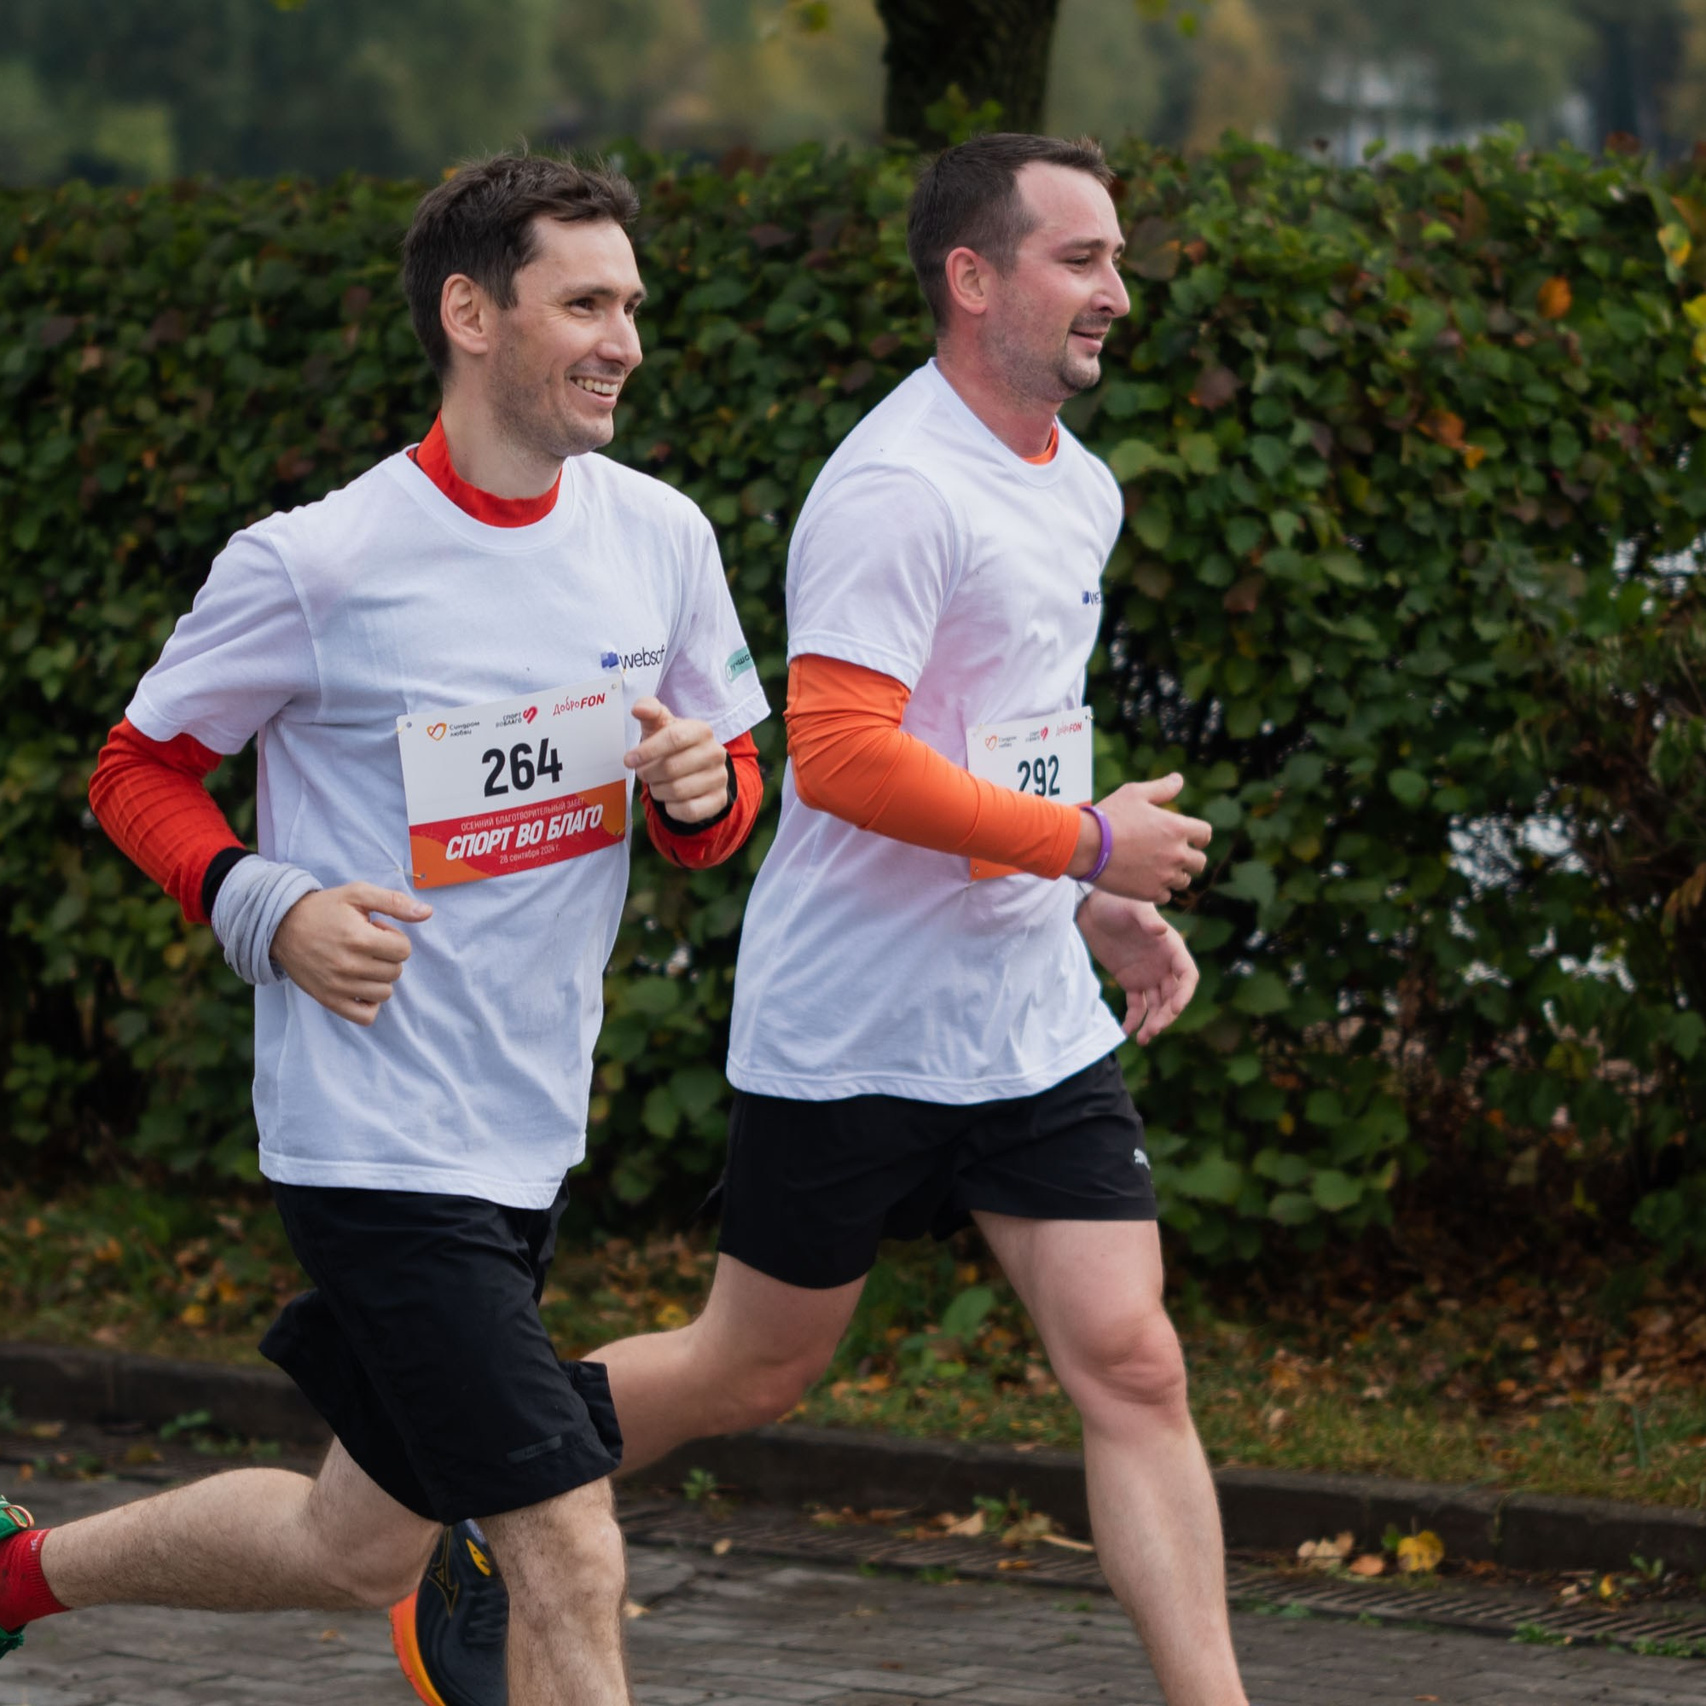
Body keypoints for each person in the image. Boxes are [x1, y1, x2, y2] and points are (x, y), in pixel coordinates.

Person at [407, 132, 1247, 1706]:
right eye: (1082, 260)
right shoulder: (891, 487)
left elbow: (997, 732)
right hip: (853, 1022)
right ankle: (489, 1471)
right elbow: (847, 756)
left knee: (1133, 1362)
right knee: (756, 1368)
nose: (1116, 293)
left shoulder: (1080, 487)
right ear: (973, 275)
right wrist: (1085, 839)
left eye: (1117, 261)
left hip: (1021, 1017)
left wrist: (1079, 897)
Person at [0, 151, 768, 1706]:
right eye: (584, 301)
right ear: (471, 312)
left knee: (355, 1543)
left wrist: (699, 787)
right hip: (370, 1141)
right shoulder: (317, 561)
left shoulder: (660, 536)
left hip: (524, 1126)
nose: (625, 336)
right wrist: (265, 908)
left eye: (631, 301)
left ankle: (10, 1575)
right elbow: (137, 769)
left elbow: (720, 798)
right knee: (570, 1549)